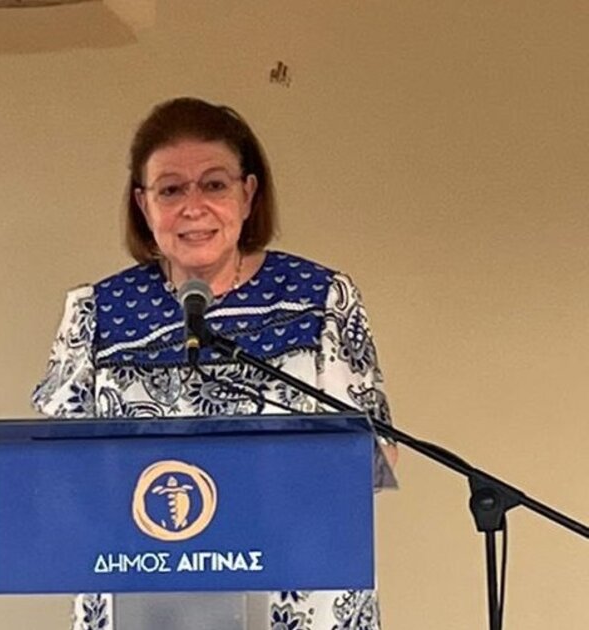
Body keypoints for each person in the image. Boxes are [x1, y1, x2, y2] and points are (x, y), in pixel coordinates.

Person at [32, 97, 397, 630]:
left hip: (294, 593)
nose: (193, 206)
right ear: (143, 204)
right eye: (171, 189)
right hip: (146, 588)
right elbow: (58, 473)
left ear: (248, 194)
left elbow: (373, 457)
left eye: (214, 184)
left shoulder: (319, 299)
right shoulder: (98, 312)